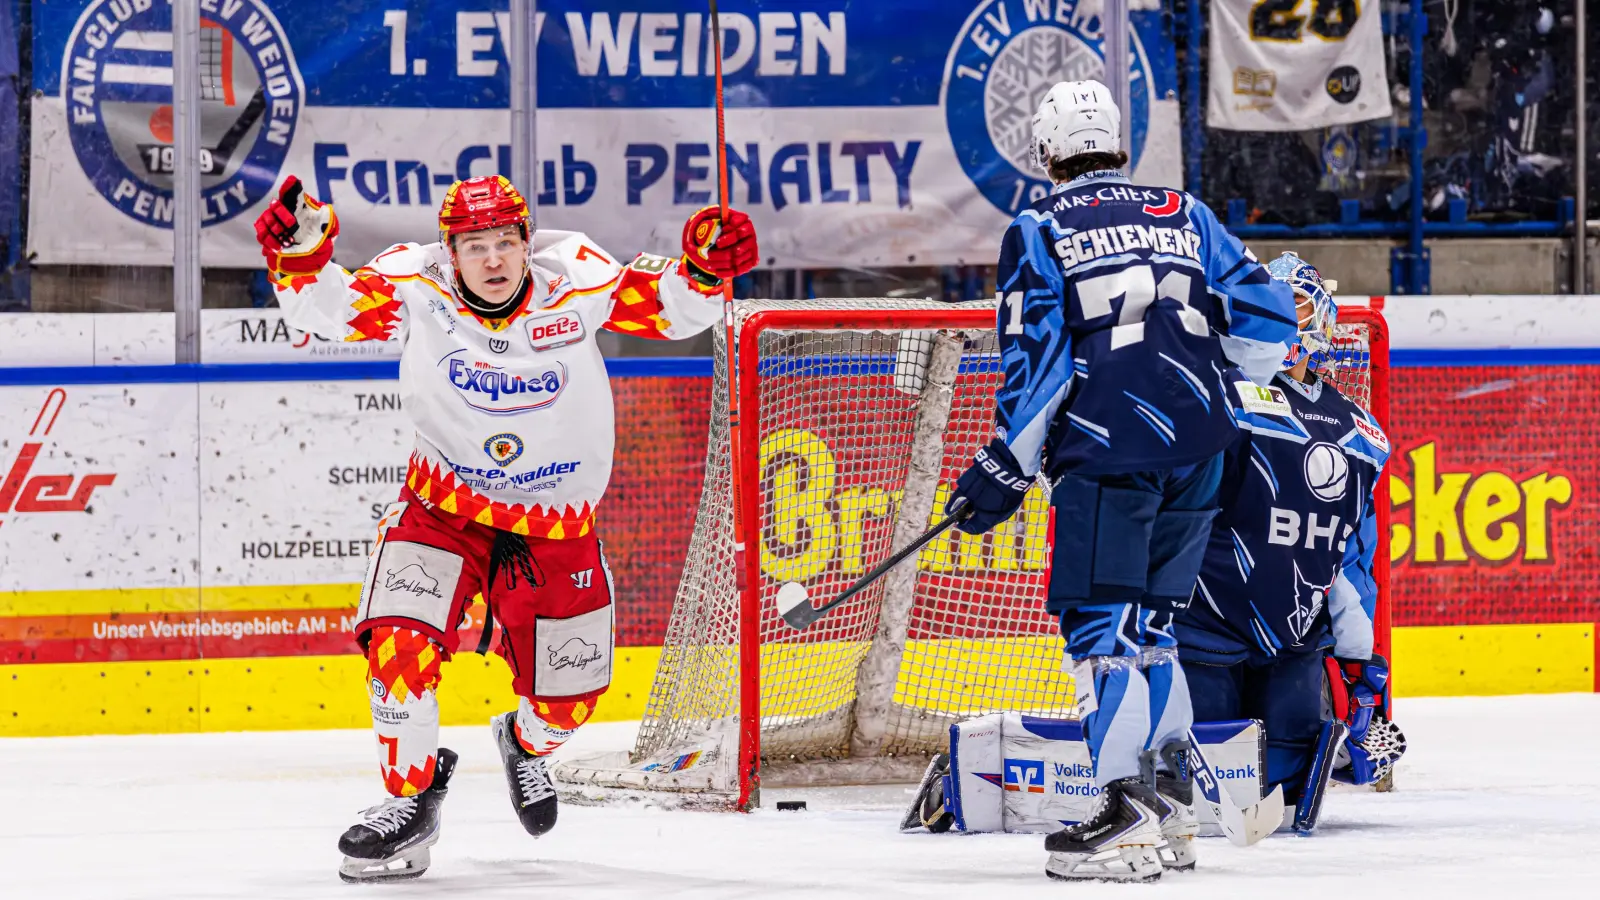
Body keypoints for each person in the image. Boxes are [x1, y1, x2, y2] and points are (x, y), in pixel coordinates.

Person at [253, 174, 758, 883]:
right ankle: (410, 805)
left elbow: (672, 310)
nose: (492, 260)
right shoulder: (413, 283)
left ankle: (523, 743)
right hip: (443, 507)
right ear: (450, 252)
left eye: (504, 243)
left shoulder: (576, 277)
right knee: (399, 645)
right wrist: (303, 256)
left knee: (567, 705)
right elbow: (331, 311)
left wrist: (708, 268)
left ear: (527, 243)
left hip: (553, 524)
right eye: (474, 246)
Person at [945, 80, 1297, 882]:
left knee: (1100, 636)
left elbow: (1035, 367)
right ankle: (1170, 804)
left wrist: (1004, 466)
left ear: (1046, 153)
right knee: (1155, 628)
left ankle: (1124, 813)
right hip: (1205, 449)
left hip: (1110, 450)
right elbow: (1271, 319)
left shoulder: (1039, 226)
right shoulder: (1185, 213)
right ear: (1117, 142)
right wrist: (1211, 389)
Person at [1176, 252, 1405, 834]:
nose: (1281, 322)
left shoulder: (1362, 434)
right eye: (1265, 308)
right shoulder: (1220, 396)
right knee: (1198, 792)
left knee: (1288, 786)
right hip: (1205, 621)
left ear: (1324, 320)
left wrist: (1360, 662)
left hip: (1295, 637)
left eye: (1295, 307)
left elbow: (1349, 559)